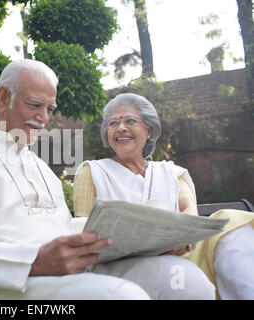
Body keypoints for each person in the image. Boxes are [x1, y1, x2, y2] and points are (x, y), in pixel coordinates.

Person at [0, 60, 215, 300]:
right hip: (1, 289)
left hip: (71, 275)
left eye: (50, 109)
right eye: (35, 105)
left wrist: (148, 239)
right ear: (4, 98)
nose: (43, 118)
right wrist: (33, 261)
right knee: (123, 297)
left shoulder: (40, 167)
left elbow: (62, 228)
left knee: (186, 281)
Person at [73, 92, 254, 299]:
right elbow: (82, 232)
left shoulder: (171, 172)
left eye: (130, 121)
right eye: (113, 123)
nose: (121, 128)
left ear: (149, 130)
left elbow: (189, 210)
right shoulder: (93, 171)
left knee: (235, 231)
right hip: (120, 267)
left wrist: (179, 239)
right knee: (182, 276)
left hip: (182, 253)